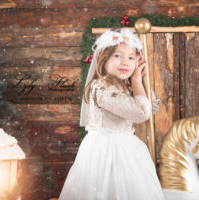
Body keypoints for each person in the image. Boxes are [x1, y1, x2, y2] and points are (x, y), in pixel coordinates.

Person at [59, 28, 165, 200]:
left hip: (127, 148)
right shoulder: (102, 88)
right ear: (103, 58)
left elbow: (152, 107)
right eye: (117, 55)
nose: (125, 62)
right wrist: (137, 81)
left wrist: (139, 81)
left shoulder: (124, 86)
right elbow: (141, 112)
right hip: (105, 150)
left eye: (131, 58)